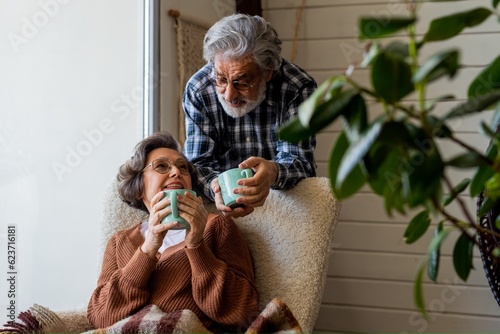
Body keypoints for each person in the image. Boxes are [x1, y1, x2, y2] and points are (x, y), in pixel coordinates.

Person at [87, 131, 259, 333]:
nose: (176, 172)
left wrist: (196, 245)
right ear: (139, 186)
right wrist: (148, 248)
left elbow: (244, 311)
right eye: (161, 166)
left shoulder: (217, 227)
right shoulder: (120, 241)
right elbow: (99, 315)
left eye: (182, 167)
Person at [183, 13, 317, 218]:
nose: (229, 94)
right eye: (221, 79)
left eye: (242, 82)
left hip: (282, 205)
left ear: (268, 73)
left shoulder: (296, 88)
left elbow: (302, 162)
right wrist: (215, 188)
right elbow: (197, 164)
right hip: (218, 209)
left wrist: (273, 172)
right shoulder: (198, 89)